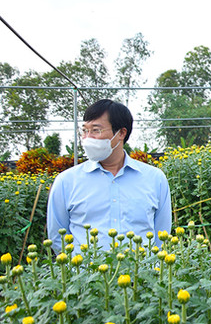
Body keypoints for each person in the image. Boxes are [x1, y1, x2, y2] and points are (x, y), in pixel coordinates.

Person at [47, 99, 172, 252]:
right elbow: (57, 237)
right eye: (85, 131)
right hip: (87, 274)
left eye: (96, 130)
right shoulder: (66, 181)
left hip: (140, 274)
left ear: (121, 133)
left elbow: (162, 234)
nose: (87, 138)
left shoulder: (154, 179)